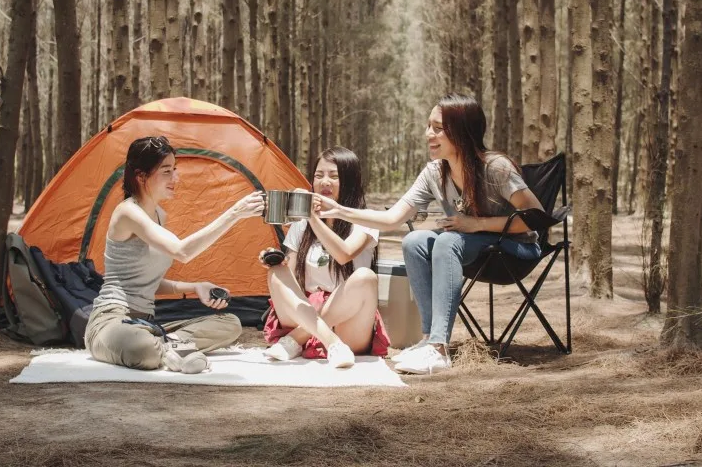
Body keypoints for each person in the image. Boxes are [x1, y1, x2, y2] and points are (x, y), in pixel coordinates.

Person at [318, 94, 543, 374]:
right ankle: (428, 339)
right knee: (414, 241)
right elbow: (391, 219)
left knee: (447, 241)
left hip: (515, 253)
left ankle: (438, 348)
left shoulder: (495, 168)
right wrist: (339, 210)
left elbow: (535, 218)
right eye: (428, 126)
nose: (428, 134)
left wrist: (476, 224)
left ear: (461, 132)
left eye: (437, 128)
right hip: (474, 249)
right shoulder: (434, 173)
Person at [84, 136, 265, 374]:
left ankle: (170, 346)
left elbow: (147, 281)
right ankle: (174, 349)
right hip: (111, 320)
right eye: (167, 171)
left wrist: (194, 286)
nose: (175, 178)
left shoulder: (159, 214)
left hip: (148, 323)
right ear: (141, 176)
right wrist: (234, 213)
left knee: (231, 324)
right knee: (141, 349)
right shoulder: (127, 212)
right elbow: (182, 251)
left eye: (174, 170)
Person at [261, 147, 390, 369]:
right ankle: (330, 343)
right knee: (277, 273)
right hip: (306, 312)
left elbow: (344, 254)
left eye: (334, 176)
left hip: (348, 323)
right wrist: (274, 260)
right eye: (319, 176)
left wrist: (313, 217)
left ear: (350, 180)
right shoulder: (302, 223)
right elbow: (291, 278)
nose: (325, 182)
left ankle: (297, 340)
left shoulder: (365, 220)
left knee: (365, 277)